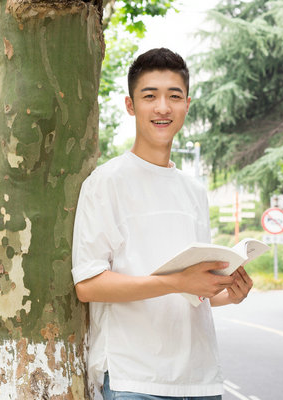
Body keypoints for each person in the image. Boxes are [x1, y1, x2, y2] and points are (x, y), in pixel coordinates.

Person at [71, 47, 253, 400]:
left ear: (187, 104)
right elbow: (89, 284)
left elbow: (192, 293)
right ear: (130, 105)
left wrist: (229, 293)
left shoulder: (194, 191)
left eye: (174, 96)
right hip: (135, 380)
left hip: (201, 380)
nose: (163, 108)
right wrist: (176, 282)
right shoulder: (106, 182)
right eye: (149, 96)